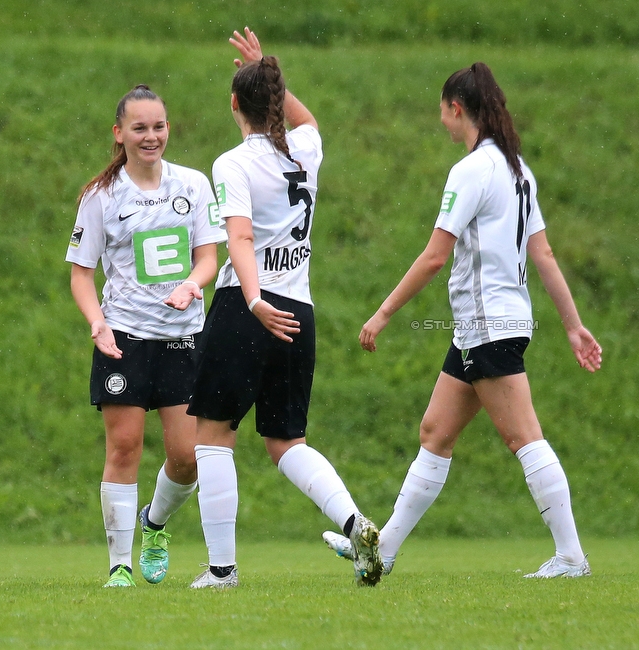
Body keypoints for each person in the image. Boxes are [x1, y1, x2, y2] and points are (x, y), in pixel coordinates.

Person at [321, 62, 603, 579]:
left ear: (457, 108)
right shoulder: (518, 170)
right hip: (488, 326)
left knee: (524, 438)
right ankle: (382, 553)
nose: (443, 124)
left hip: (488, 324)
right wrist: (571, 323)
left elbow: (433, 257)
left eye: (444, 113)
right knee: (435, 433)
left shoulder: (473, 170)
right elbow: (544, 255)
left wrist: (382, 314)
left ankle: (571, 557)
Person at [186, 27, 382, 589]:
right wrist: (270, 71)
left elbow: (240, 240)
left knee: (212, 435)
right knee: (285, 441)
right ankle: (355, 523)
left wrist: (252, 300)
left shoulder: (231, 165)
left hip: (249, 307)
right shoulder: (306, 149)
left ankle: (222, 570)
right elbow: (309, 121)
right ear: (275, 103)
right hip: (301, 310)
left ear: (233, 106)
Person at [67, 85, 224, 588]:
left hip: (182, 337)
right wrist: (97, 321)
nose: (150, 136)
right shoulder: (101, 197)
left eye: (158, 126)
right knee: (125, 446)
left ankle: (153, 524)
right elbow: (80, 273)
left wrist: (190, 285)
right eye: (139, 128)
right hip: (125, 337)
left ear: (168, 129)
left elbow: (208, 259)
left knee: (185, 459)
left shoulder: (195, 185)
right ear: (120, 134)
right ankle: (119, 565)